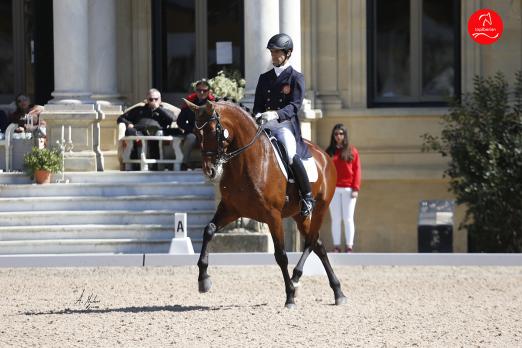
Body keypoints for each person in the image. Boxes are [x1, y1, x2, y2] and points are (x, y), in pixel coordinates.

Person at [253, 33, 315, 217]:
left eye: (277, 52)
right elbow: (258, 104)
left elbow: (295, 106)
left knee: (290, 155)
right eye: (272, 52)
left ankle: (307, 197)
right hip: (265, 125)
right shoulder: (264, 78)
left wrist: (276, 114)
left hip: (284, 126)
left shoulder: (296, 78)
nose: (273, 55)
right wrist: (257, 114)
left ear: (288, 53)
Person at [117, 88, 176, 169]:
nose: (153, 101)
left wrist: (158, 108)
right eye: (151, 99)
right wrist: (129, 123)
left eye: (156, 99)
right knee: (130, 130)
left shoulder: (165, 111)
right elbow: (121, 118)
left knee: (155, 135)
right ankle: (134, 163)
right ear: (147, 100)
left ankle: (156, 166)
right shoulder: (139, 110)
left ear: (160, 100)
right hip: (139, 131)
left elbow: (171, 119)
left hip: (157, 132)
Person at [326, 124, 361, 253]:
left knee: (348, 218)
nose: (338, 136)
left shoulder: (352, 151)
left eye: (341, 133)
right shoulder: (329, 151)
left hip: (349, 190)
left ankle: (349, 246)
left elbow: (357, 170)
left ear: (345, 135)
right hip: (333, 190)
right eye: (336, 134)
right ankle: (336, 246)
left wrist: (355, 188)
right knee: (335, 219)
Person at [178, 79, 215, 170]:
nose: (202, 92)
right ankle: (184, 163)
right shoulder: (189, 103)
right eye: (199, 90)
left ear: (209, 92)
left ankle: (213, 164)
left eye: (205, 90)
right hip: (193, 131)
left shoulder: (214, 103)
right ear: (195, 91)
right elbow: (180, 121)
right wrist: (192, 129)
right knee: (191, 138)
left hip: (208, 131)